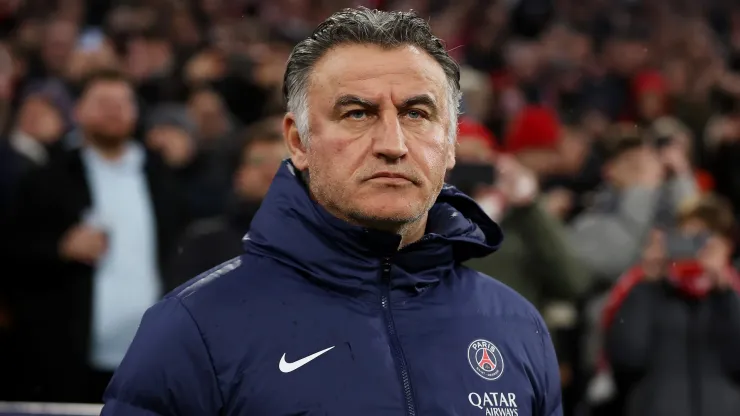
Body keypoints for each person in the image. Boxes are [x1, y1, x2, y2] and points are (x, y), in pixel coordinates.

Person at [102, 8, 562, 416]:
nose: (392, 145)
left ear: (452, 143)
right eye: (357, 113)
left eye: (417, 113)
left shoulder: (515, 325)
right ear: (299, 142)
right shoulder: (194, 328)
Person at [2, 68, 189, 402]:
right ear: (77, 111)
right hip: (65, 359)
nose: (114, 109)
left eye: (123, 102)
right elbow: (11, 251)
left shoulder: (162, 177)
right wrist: (59, 248)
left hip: (151, 358)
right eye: (103, 101)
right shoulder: (46, 177)